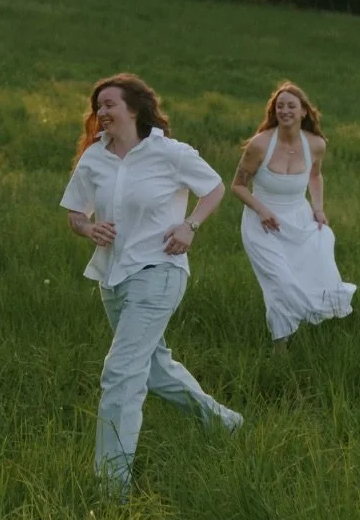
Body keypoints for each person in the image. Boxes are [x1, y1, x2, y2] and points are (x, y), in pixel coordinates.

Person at [60, 73, 243, 496]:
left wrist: (189, 225)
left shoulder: (169, 153)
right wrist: (88, 230)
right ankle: (224, 423)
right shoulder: (94, 158)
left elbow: (214, 188)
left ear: (135, 108)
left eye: (109, 104)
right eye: (97, 106)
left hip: (160, 271)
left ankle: (111, 488)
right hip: (112, 277)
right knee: (156, 371)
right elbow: (74, 213)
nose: (101, 112)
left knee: (121, 373)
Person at [233, 81, 355, 348]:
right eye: (280, 106)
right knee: (281, 282)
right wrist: (262, 211)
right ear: (273, 111)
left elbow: (315, 174)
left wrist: (318, 209)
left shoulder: (316, 144)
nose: (285, 111)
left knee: (307, 274)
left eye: (291, 106)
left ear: (303, 112)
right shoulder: (260, 145)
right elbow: (238, 186)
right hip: (262, 224)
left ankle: (296, 331)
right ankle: (280, 348)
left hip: (298, 219)